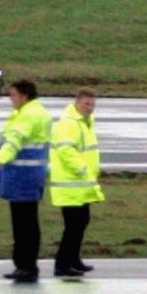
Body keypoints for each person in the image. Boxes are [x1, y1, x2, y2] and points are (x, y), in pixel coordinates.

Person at [0, 79, 53, 284]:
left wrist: (0, 158)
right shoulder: (38, 112)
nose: (11, 100)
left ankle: (25, 266)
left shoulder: (28, 115)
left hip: (22, 177)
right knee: (29, 223)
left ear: (24, 96)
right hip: (32, 176)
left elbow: (14, 139)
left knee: (23, 224)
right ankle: (27, 265)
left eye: (13, 95)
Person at [49, 89, 104, 279]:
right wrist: (82, 170)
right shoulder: (69, 123)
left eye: (92, 105)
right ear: (77, 103)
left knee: (81, 222)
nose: (89, 108)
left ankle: (73, 260)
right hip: (70, 184)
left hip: (82, 184)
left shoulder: (86, 122)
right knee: (73, 225)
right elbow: (66, 151)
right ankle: (62, 264)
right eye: (86, 104)